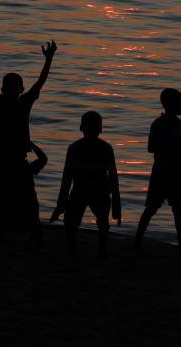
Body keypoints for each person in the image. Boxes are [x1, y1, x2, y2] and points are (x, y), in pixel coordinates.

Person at [0, 31, 57, 240]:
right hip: (12, 159)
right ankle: (24, 231)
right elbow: (40, 82)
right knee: (25, 199)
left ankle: (2, 231)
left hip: (4, 159)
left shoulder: (1, 102)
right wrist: (48, 60)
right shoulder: (21, 103)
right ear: (20, 89)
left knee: (3, 198)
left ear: (3, 89)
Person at [133, 87, 181, 250]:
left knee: (178, 212)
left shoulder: (179, 123)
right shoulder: (158, 123)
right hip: (162, 173)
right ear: (169, 105)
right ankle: (137, 241)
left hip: (177, 173)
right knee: (151, 209)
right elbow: (151, 147)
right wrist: (177, 145)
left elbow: (176, 144)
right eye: (180, 103)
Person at [50, 110, 121, 259]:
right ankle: (92, 248)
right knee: (81, 222)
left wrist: (60, 205)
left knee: (80, 222)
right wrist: (61, 205)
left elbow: (66, 178)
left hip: (91, 191)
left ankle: (83, 247)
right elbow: (113, 178)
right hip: (89, 191)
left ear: (81, 128)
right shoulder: (89, 148)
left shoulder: (79, 148)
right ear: (100, 129)